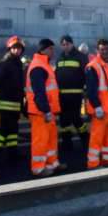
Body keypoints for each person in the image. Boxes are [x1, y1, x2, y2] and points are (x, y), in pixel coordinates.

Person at [26, 39, 66, 177]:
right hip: (40, 112)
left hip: (46, 111)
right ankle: (38, 168)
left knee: (50, 139)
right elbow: (39, 93)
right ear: (45, 50)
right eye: (51, 49)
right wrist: (46, 110)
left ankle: (52, 164)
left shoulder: (43, 65)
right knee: (40, 140)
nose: (53, 52)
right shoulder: (39, 67)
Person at [85, 38, 108, 169]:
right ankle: (93, 164)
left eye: (106, 49)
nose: (104, 52)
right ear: (97, 50)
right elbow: (90, 90)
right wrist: (97, 107)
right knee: (96, 138)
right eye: (102, 49)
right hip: (101, 110)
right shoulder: (93, 67)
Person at [0, 35, 26, 161]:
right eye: (14, 48)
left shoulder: (17, 63)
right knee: (4, 130)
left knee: (13, 131)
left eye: (19, 48)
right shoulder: (4, 64)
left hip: (15, 103)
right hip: (5, 103)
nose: (17, 50)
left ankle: (12, 153)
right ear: (9, 49)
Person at [56, 34, 87, 150]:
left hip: (75, 94)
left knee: (75, 118)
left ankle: (85, 138)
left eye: (67, 44)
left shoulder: (80, 57)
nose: (65, 46)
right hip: (62, 95)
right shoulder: (60, 57)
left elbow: (86, 75)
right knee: (63, 120)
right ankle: (66, 143)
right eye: (63, 44)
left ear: (72, 44)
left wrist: (86, 90)